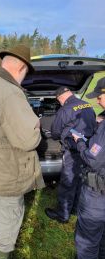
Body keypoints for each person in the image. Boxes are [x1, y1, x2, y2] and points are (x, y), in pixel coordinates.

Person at [0, 45, 45, 259]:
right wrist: (37, 124)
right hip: (8, 170)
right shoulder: (10, 92)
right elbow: (28, 139)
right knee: (10, 218)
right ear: (22, 67)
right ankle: (0, 252)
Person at [45, 86, 97, 223]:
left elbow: (55, 132)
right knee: (80, 180)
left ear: (60, 98)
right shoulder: (87, 105)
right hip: (86, 149)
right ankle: (74, 209)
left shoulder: (65, 110)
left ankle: (63, 214)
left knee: (68, 181)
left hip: (73, 151)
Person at [72, 77, 105, 259]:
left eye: (99, 97)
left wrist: (80, 143)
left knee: (86, 242)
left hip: (97, 197)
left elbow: (93, 159)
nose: (97, 101)